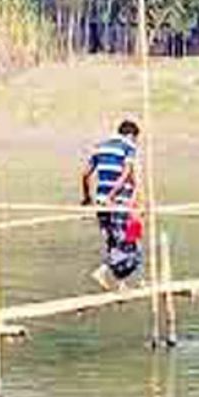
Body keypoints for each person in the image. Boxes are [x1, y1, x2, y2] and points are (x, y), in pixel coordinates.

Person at [80, 119, 143, 290]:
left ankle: (121, 283)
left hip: (102, 202)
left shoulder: (100, 147)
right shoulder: (128, 147)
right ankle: (103, 270)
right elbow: (127, 174)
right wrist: (113, 196)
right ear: (131, 135)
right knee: (131, 242)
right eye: (136, 139)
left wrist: (87, 197)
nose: (136, 143)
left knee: (113, 242)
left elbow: (85, 174)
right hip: (119, 202)